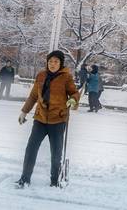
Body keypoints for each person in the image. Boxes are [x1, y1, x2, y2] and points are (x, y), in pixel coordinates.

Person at [16, 50, 80, 188]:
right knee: (31, 149)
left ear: (61, 63)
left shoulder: (66, 77)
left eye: (56, 61)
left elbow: (74, 93)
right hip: (40, 119)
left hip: (58, 120)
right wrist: (24, 112)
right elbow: (33, 96)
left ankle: (54, 181)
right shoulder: (41, 76)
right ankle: (24, 178)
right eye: (50, 61)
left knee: (56, 154)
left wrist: (73, 100)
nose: (52, 64)